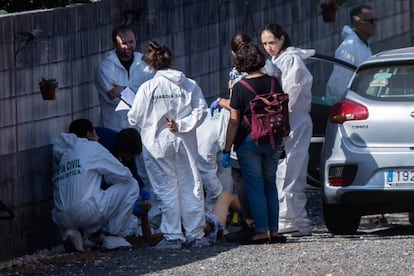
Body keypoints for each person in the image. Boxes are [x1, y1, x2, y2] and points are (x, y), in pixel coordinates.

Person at [127, 41, 209, 250]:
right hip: (185, 141)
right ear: (172, 61)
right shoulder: (189, 84)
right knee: (191, 186)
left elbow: (134, 117)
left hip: (157, 144)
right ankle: (195, 234)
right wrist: (182, 125)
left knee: (166, 190)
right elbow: (201, 111)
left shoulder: (148, 88)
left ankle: (173, 236)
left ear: (152, 65)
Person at [221, 43, 286, 244]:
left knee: (255, 187)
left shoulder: (240, 87)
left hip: (249, 142)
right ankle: (274, 231)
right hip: (273, 139)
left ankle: (261, 231)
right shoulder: (274, 82)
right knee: (271, 185)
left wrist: (226, 149)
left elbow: (234, 122)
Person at [51, 119, 139, 252]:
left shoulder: (65, 154)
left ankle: (77, 234)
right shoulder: (93, 147)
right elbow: (125, 175)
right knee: (132, 184)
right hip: (85, 212)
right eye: (95, 133)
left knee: (90, 196)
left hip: (60, 217)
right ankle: (113, 236)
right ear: (89, 134)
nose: (98, 137)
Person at [261, 23, 314, 237]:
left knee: (289, 170)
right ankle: (298, 220)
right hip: (288, 120)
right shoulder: (278, 60)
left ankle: (287, 218)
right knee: (292, 170)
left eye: (272, 42)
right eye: (264, 43)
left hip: (292, 120)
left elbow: (290, 92)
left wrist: (277, 115)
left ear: (282, 39)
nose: (268, 47)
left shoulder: (291, 60)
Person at [95, 127, 154, 239]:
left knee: (130, 183)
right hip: (93, 179)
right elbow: (108, 176)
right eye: (129, 155)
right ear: (123, 150)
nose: (129, 158)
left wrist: (142, 188)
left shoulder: (124, 146)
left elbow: (132, 171)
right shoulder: (108, 147)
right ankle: (110, 230)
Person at [94, 25, 154, 132]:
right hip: (114, 129)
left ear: (136, 40)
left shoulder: (145, 65)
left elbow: (152, 95)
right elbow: (113, 98)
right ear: (115, 44)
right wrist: (139, 94)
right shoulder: (105, 68)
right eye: (124, 43)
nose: (128, 46)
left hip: (140, 129)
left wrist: (121, 90)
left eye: (131, 42)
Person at [326, 4, 377, 100]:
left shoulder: (362, 44)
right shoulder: (349, 48)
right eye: (370, 21)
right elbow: (337, 87)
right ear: (357, 22)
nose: (374, 23)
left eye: (375, 20)